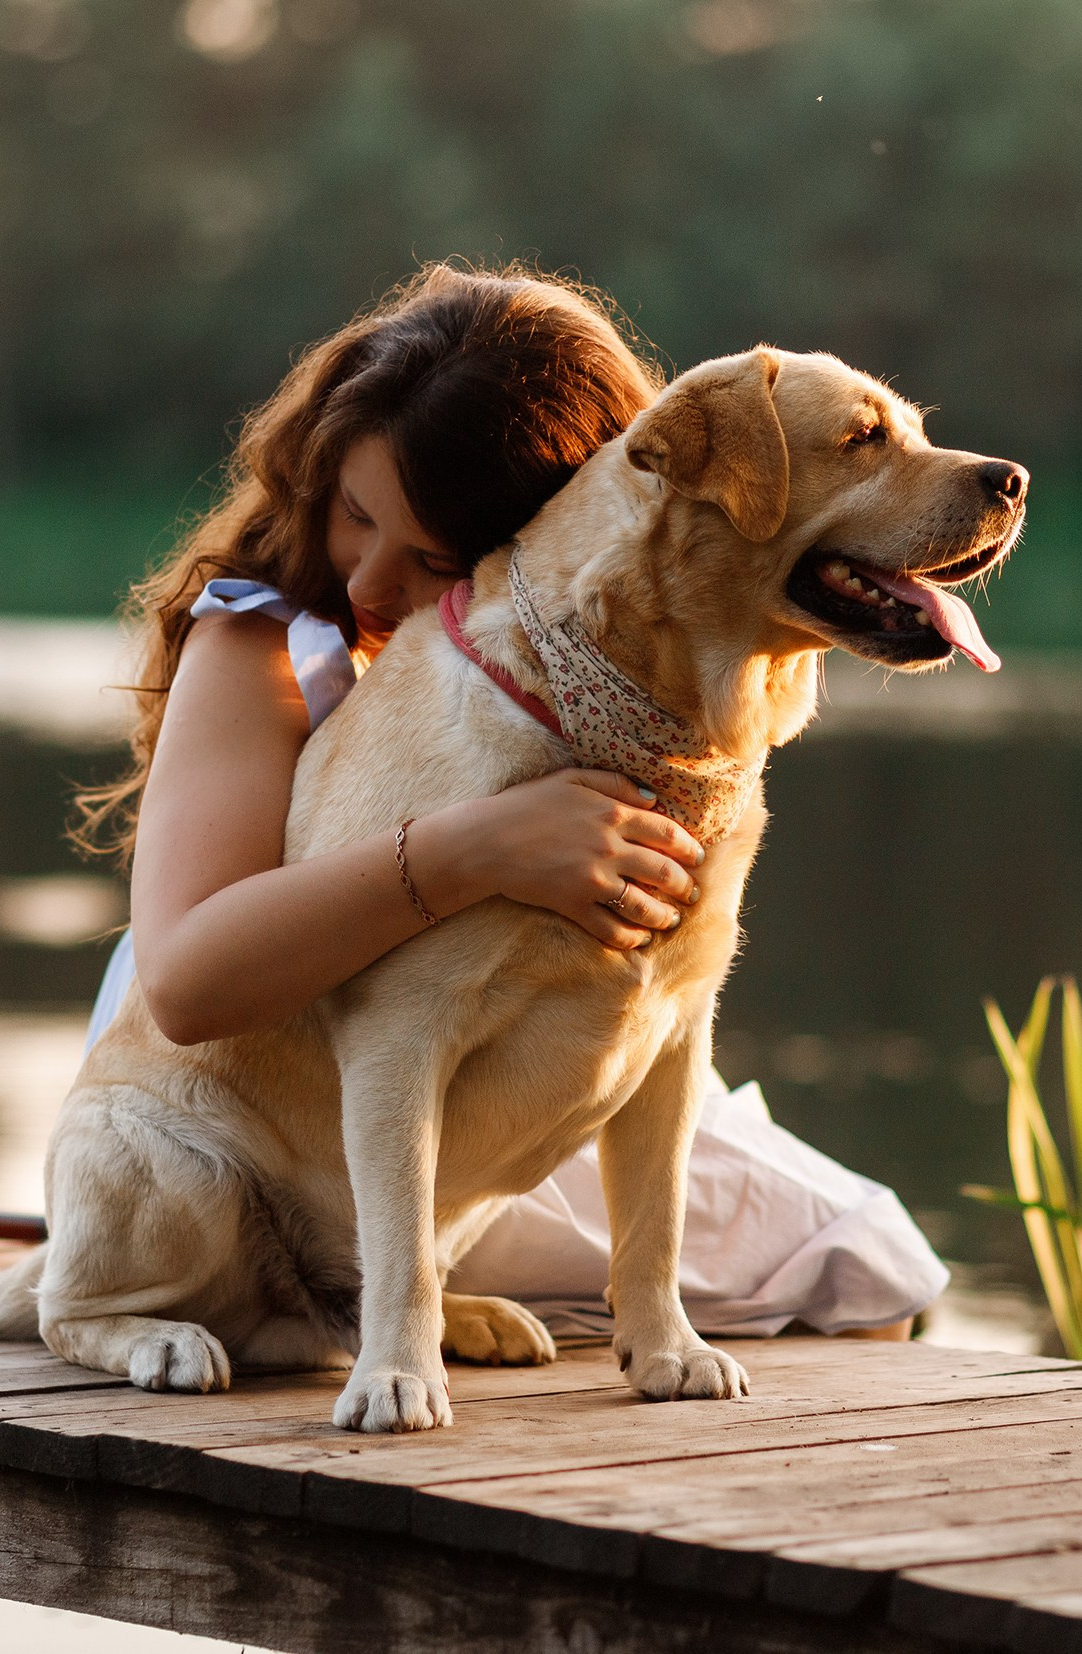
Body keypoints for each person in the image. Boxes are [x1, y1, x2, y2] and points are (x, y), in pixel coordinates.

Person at [70, 263, 947, 1340]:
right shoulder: (264, 643)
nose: (365, 582)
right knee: (851, 1266)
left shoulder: (588, 648)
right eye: (354, 514)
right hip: (249, 1112)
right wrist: (475, 847)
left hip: (520, 1097)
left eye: (433, 556)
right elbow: (187, 986)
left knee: (872, 1260)